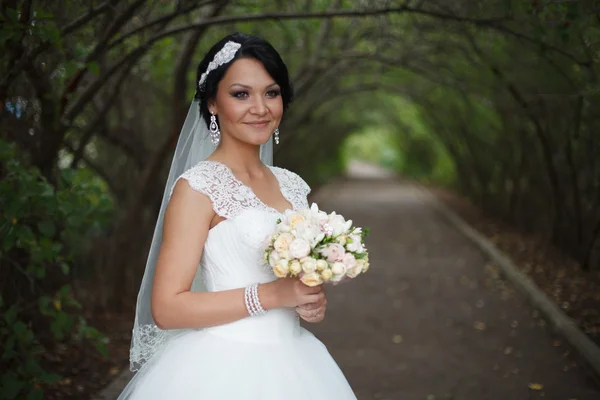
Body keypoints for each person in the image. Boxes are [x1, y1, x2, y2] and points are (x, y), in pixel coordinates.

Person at [117, 32, 357, 399]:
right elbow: (166, 308)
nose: (260, 107)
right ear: (213, 102)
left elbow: (291, 287)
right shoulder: (198, 188)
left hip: (297, 364)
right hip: (222, 369)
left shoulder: (293, 186)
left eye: (271, 93)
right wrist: (271, 296)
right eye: (241, 94)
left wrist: (309, 300)